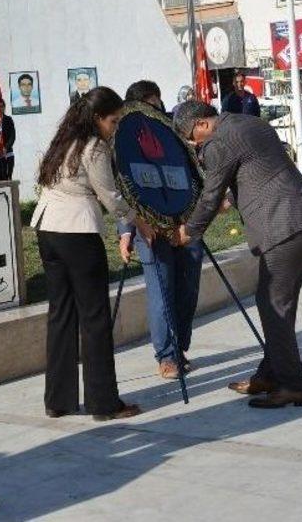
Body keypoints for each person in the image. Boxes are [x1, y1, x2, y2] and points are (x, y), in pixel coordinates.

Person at [172, 101, 302, 409]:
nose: (194, 144)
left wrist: (188, 232)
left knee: (273, 304)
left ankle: (292, 385)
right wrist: (231, 199)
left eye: (192, 138)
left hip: (285, 225)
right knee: (278, 304)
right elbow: (259, 170)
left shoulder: (219, 142)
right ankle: (269, 374)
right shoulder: (248, 123)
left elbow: (209, 194)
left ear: (202, 125)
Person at [31, 87, 154, 421]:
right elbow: (110, 196)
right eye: (113, 120)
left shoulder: (64, 141)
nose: (114, 127)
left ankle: (58, 400)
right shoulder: (95, 147)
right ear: (98, 118)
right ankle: (104, 402)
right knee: (95, 318)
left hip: (47, 228)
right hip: (78, 231)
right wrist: (138, 220)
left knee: (61, 314)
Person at [118, 80, 203, 379]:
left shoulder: (171, 133)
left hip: (184, 222)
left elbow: (190, 171)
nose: (158, 110)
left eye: (159, 103)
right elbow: (124, 187)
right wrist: (126, 232)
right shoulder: (125, 137)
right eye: (152, 104)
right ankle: (166, 355)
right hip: (150, 228)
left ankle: (180, 347)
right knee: (162, 290)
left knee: (188, 287)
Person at [0, 99, 16, 180]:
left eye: (1, 106)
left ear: (4, 107)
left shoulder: (8, 119)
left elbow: (13, 136)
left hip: (7, 153)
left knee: (8, 177)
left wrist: (6, 148)